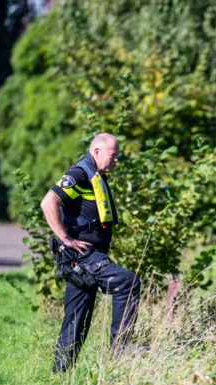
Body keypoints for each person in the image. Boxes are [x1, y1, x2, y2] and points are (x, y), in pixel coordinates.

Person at [40, 133, 141, 372]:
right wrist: (66, 239)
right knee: (127, 283)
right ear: (96, 151)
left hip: (88, 257)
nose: (116, 160)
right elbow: (48, 202)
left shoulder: (97, 175)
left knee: (77, 318)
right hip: (83, 256)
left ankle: (61, 375)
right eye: (113, 156)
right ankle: (121, 349)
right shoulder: (79, 174)